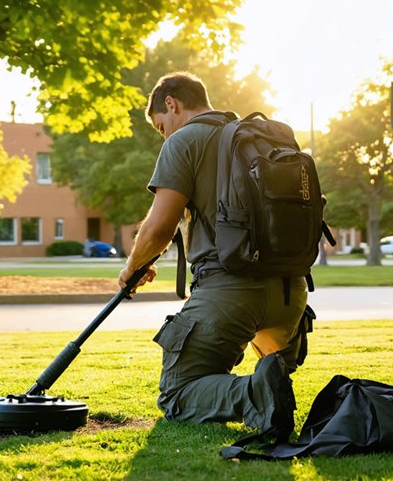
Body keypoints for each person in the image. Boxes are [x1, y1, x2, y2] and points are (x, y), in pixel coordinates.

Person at [118, 72, 308, 435]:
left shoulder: (184, 142)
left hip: (231, 292)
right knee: (271, 369)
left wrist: (132, 269)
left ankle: (254, 392)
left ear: (170, 104)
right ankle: (268, 385)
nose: (164, 135)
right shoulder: (259, 137)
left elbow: (159, 228)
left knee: (178, 394)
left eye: (161, 126)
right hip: (291, 295)